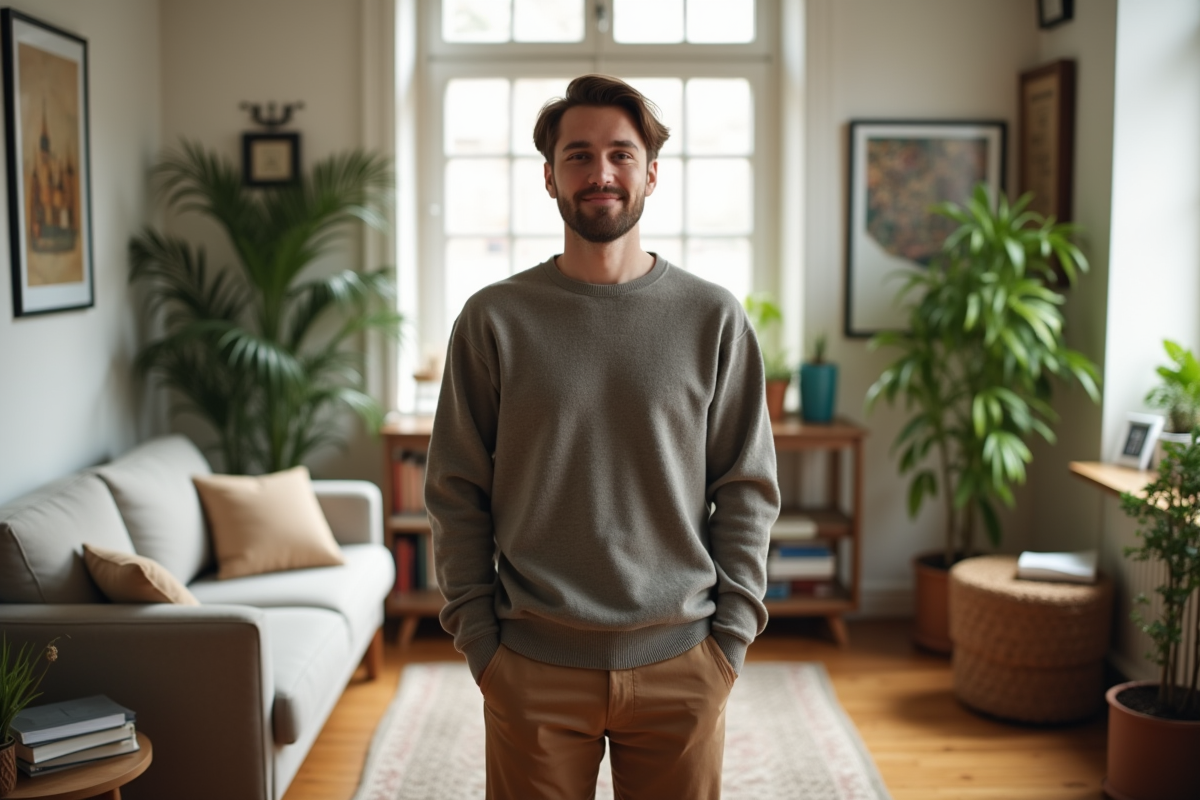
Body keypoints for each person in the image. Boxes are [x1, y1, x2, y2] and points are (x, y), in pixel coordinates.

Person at [425, 73, 780, 800]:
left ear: (651, 173)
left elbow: (747, 487)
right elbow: (455, 489)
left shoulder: (713, 318)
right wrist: (482, 645)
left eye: (621, 154)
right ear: (549, 177)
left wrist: (730, 642)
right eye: (578, 155)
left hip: (684, 660)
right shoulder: (493, 320)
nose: (601, 173)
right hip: (531, 664)